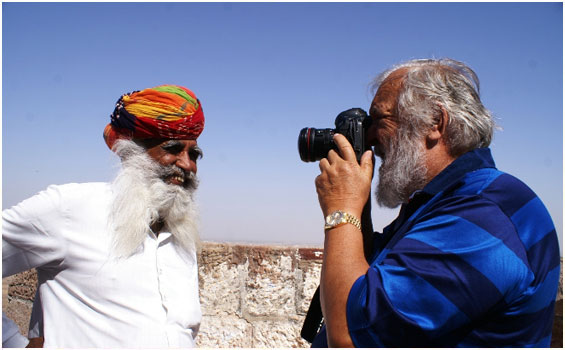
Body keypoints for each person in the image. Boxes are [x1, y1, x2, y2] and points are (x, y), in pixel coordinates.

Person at [310, 58, 560, 347]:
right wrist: (358, 207)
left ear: (435, 123)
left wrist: (342, 207)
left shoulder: (483, 217)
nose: (371, 139)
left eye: (379, 120)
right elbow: (371, 274)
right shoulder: (446, 201)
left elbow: (352, 336)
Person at [3, 85, 206, 348]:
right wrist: (12, 343)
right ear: (131, 152)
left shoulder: (182, 237)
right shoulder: (70, 209)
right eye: (172, 149)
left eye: (194, 154)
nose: (187, 164)